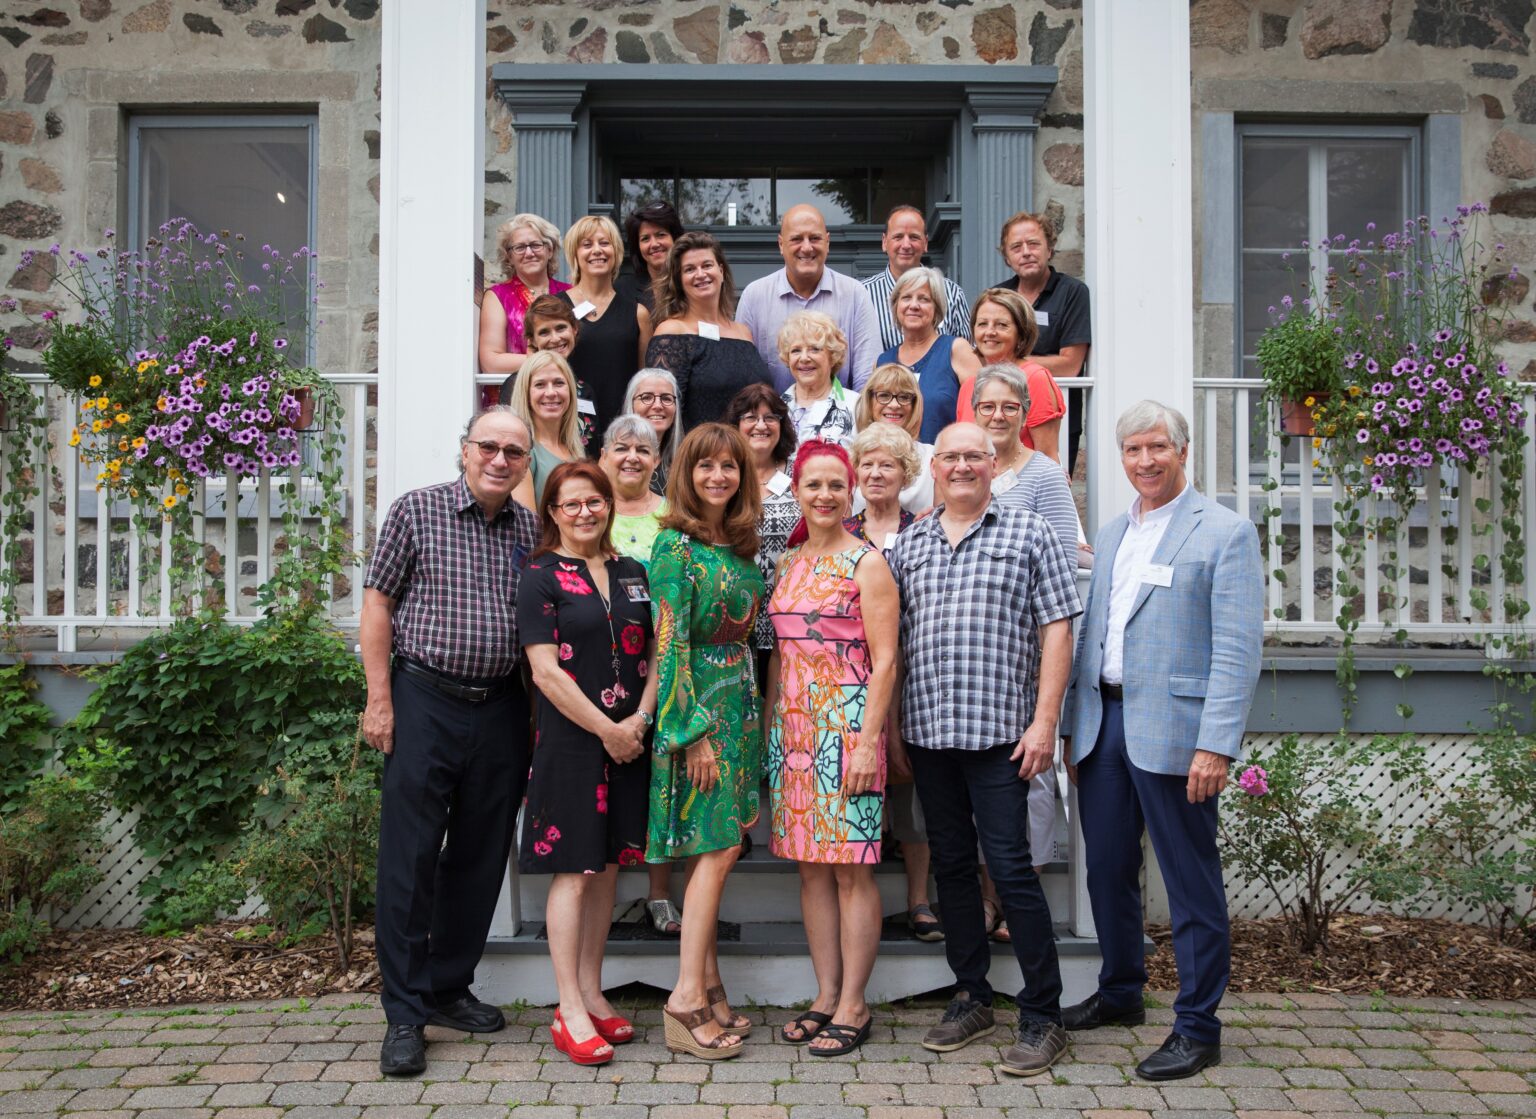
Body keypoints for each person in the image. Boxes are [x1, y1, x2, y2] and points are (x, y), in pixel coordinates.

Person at [1060, 400, 1263, 1082]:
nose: (1144, 460)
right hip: (1105, 724)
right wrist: (1074, 725)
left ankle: (1198, 1026)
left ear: (1182, 451)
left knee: (1188, 879)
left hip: (1178, 731)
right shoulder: (1114, 531)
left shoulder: (1225, 532)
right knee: (1107, 867)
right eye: (1133, 450)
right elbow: (1094, 634)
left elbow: (1237, 649)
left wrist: (1217, 744)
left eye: (1156, 447)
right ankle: (1121, 990)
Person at [885, 422, 1080, 1078]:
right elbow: (894, 644)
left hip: (1004, 736)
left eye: (975, 456)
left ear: (994, 465)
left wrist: (1045, 721)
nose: (963, 466)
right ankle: (971, 994)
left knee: (1012, 869)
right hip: (929, 734)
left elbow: (1058, 630)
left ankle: (1043, 1014)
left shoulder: (1031, 532)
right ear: (934, 467)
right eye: (951, 457)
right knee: (951, 866)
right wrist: (893, 729)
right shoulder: (910, 544)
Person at [361, 406, 539, 1077]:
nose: (500, 460)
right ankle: (405, 1012)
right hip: (424, 699)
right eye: (488, 446)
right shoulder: (417, 510)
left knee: (480, 853)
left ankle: (446, 985)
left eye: (514, 452)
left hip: (501, 706)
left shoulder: (531, 529)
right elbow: (378, 602)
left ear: (525, 463)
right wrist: (379, 698)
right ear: (465, 449)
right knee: (409, 856)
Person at [518, 461, 657, 1067]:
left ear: (608, 505)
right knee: (574, 870)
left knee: (608, 868)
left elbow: (657, 654)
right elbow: (545, 671)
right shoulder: (539, 576)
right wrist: (607, 730)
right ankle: (568, 1007)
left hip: (631, 739)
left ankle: (594, 991)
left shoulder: (633, 572)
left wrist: (639, 722)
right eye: (570, 504)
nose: (584, 512)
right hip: (573, 741)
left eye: (593, 501)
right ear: (553, 512)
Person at [765, 440, 899, 1056]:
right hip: (793, 733)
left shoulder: (867, 563)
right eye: (813, 485)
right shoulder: (788, 562)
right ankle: (825, 995)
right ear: (796, 491)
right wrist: (772, 729)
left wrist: (869, 741)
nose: (824, 495)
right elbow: (778, 656)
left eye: (835, 485)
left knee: (851, 868)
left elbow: (886, 660)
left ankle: (854, 1004)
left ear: (851, 493)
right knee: (810, 868)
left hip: (846, 728)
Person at [648, 424, 766, 1061]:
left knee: (716, 850)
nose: (718, 477)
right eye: (705, 466)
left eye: (729, 466)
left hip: (738, 707)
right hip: (695, 714)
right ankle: (685, 998)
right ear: (686, 474)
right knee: (718, 849)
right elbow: (670, 646)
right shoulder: (675, 546)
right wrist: (690, 735)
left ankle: (712, 983)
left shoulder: (742, 546)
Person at [964, 363, 1080, 944]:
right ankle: (987, 899)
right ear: (974, 411)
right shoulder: (965, 466)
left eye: (1010, 406)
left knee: (1027, 775)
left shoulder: (1045, 474)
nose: (998, 415)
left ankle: (1019, 897)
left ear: (1025, 414)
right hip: (978, 651)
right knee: (984, 784)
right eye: (988, 406)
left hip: (1029, 648)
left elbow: (1063, 562)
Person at [842, 423, 936, 944]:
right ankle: (859, 898)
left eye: (888, 465)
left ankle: (918, 900)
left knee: (910, 786)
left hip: (914, 671)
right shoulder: (840, 529)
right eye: (868, 464)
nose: (876, 473)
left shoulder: (926, 529)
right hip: (851, 677)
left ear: (907, 474)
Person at [597, 414, 682, 937]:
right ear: (603, 456)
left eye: (643, 450)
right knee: (602, 776)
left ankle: (659, 893)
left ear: (656, 461)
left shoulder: (673, 517)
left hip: (662, 658)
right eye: (622, 447)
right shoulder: (589, 509)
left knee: (661, 777)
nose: (632, 457)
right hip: (597, 661)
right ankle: (598, 890)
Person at [737, 204, 882, 393]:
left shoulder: (855, 294)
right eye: (796, 239)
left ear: (827, 242)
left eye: (815, 238)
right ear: (781, 245)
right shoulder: (754, 297)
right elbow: (743, 380)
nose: (806, 248)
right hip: (773, 412)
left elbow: (868, 380)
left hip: (844, 411)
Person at [992, 211, 1092, 473]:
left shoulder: (1072, 292)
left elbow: (1070, 365)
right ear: (1007, 257)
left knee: (1049, 481)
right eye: (1016, 247)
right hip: (1004, 414)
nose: (1026, 252)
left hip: (1053, 415)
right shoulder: (998, 296)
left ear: (1050, 248)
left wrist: (1012, 361)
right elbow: (986, 357)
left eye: (1033, 244)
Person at [645, 232, 773, 433]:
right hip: (699, 450)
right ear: (679, 280)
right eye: (689, 269)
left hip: (749, 449)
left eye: (707, 265)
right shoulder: (672, 331)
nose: (700, 274)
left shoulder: (743, 333)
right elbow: (661, 412)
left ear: (721, 270)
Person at [727, 383, 799, 689]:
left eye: (770, 418)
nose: (761, 425)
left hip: (790, 612)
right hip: (735, 616)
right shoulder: (724, 474)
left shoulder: (800, 472)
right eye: (750, 417)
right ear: (736, 425)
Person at [559, 215, 653, 448]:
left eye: (604, 243)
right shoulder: (555, 308)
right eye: (587, 244)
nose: (597, 250)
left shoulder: (638, 313)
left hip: (621, 433)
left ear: (616, 251)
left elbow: (643, 381)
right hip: (567, 427)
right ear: (574, 254)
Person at [957, 289, 1067, 466]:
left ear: (1021, 333)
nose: (990, 332)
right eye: (982, 324)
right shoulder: (969, 385)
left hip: (1024, 482)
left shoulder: (1034, 378)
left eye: (1001, 325)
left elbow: (1047, 456)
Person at [877, 267, 980, 444]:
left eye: (923, 299)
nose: (914, 305)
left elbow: (981, 410)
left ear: (936, 308)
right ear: (896, 306)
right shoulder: (883, 361)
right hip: (893, 458)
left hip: (948, 457)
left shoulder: (957, 350)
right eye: (906, 297)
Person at [479, 214, 572, 392]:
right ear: (509, 256)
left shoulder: (571, 293)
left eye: (536, 245)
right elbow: (491, 362)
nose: (529, 253)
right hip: (514, 395)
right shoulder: (498, 296)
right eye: (520, 247)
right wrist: (548, 359)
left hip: (563, 394)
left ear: (550, 250)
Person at [862, 205, 971, 350]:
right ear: (884, 242)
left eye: (914, 237)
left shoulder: (952, 293)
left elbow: (969, 352)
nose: (906, 245)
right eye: (898, 237)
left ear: (925, 243)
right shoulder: (863, 294)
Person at [508, 351, 586, 513]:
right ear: (526, 393)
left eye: (559, 383)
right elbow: (527, 525)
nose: (551, 393)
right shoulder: (522, 453)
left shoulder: (574, 449)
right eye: (540, 385)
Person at [853, 363, 934, 513]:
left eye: (904, 397)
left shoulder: (932, 457)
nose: (895, 404)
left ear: (914, 404)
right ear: (869, 401)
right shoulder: (853, 455)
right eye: (884, 395)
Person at [778, 311, 856, 448]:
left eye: (814, 349)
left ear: (833, 356)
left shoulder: (856, 406)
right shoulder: (776, 408)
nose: (804, 358)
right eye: (796, 350)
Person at [622, 368, 682, 496]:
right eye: (647, 397)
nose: (658, 405)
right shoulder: (613, 460)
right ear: (631, 404)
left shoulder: (684, 461)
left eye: (666, 398)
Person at [619, 199, 685, 311]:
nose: (654, 244)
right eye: (645, 239)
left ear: (675, 238)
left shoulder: (692, 282)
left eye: (661, 235)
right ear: (638, 247)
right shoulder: (623, 289)